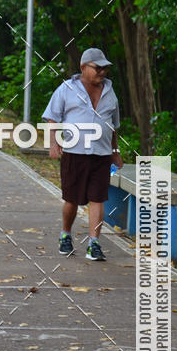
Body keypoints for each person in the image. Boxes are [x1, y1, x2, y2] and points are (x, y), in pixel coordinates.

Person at [43, 47, 123, 262]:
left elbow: (113, 125)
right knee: (72, 199)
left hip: (102, 154)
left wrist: (115, 152)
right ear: (83, 67)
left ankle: (93, 243)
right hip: (74, 152)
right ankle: (65, 235)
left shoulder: (110, 91)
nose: (102, 72)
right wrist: (53, 143)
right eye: (97, 68)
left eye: (105, 69)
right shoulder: (66, 89)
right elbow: (53, 118)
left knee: (98, 198)